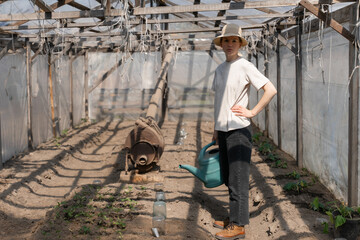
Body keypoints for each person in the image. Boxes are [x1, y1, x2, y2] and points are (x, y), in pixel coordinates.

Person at [211, 23, 277, 239]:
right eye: (226, 41)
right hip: (223, 130)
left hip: (239, 130)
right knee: (229, 177)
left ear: (239, 44)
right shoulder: (220, 70)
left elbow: (270, 89)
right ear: (221, 44)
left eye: (234, 40)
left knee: (239, 180)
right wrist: (216, 128)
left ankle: (239, 226)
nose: (229, 44)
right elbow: (219, 101)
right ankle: (234, 217)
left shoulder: (245, 66)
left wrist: (252, 112)